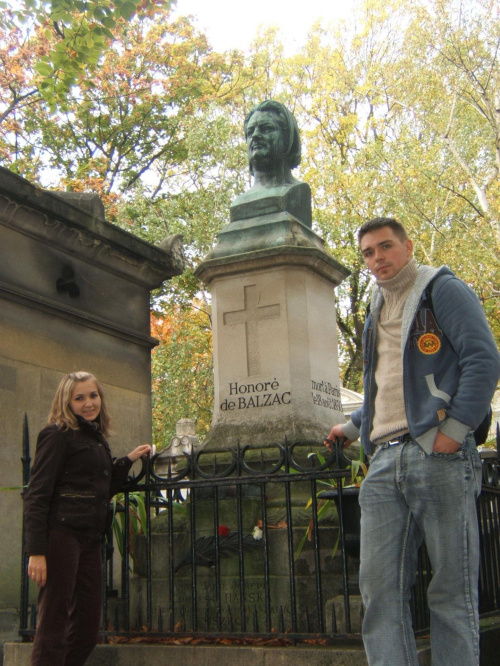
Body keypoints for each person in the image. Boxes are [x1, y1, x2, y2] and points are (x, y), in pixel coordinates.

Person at [326, 217, 500, 665]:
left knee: (450, 592)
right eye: (368, 252)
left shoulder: (442, 289)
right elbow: (388, 383)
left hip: (437, 454)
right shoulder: (375, 306)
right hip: (383, 462)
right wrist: (351, 428)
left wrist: (454, 432)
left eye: (385, 247)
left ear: (406, 246)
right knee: (379, 594)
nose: (377, 258)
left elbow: (483, 358)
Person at [24, 371, 152, 666]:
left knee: (87, 629)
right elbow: (37, 495)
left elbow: (101, 489)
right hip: (61, 536)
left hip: (91, 540)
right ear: (66, 401)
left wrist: (127, 460)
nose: (88, 403)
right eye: (79, 397)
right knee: (53, 624)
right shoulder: (56, 435)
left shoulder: (96, 439)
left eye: (92, 395)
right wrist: (37, 552)